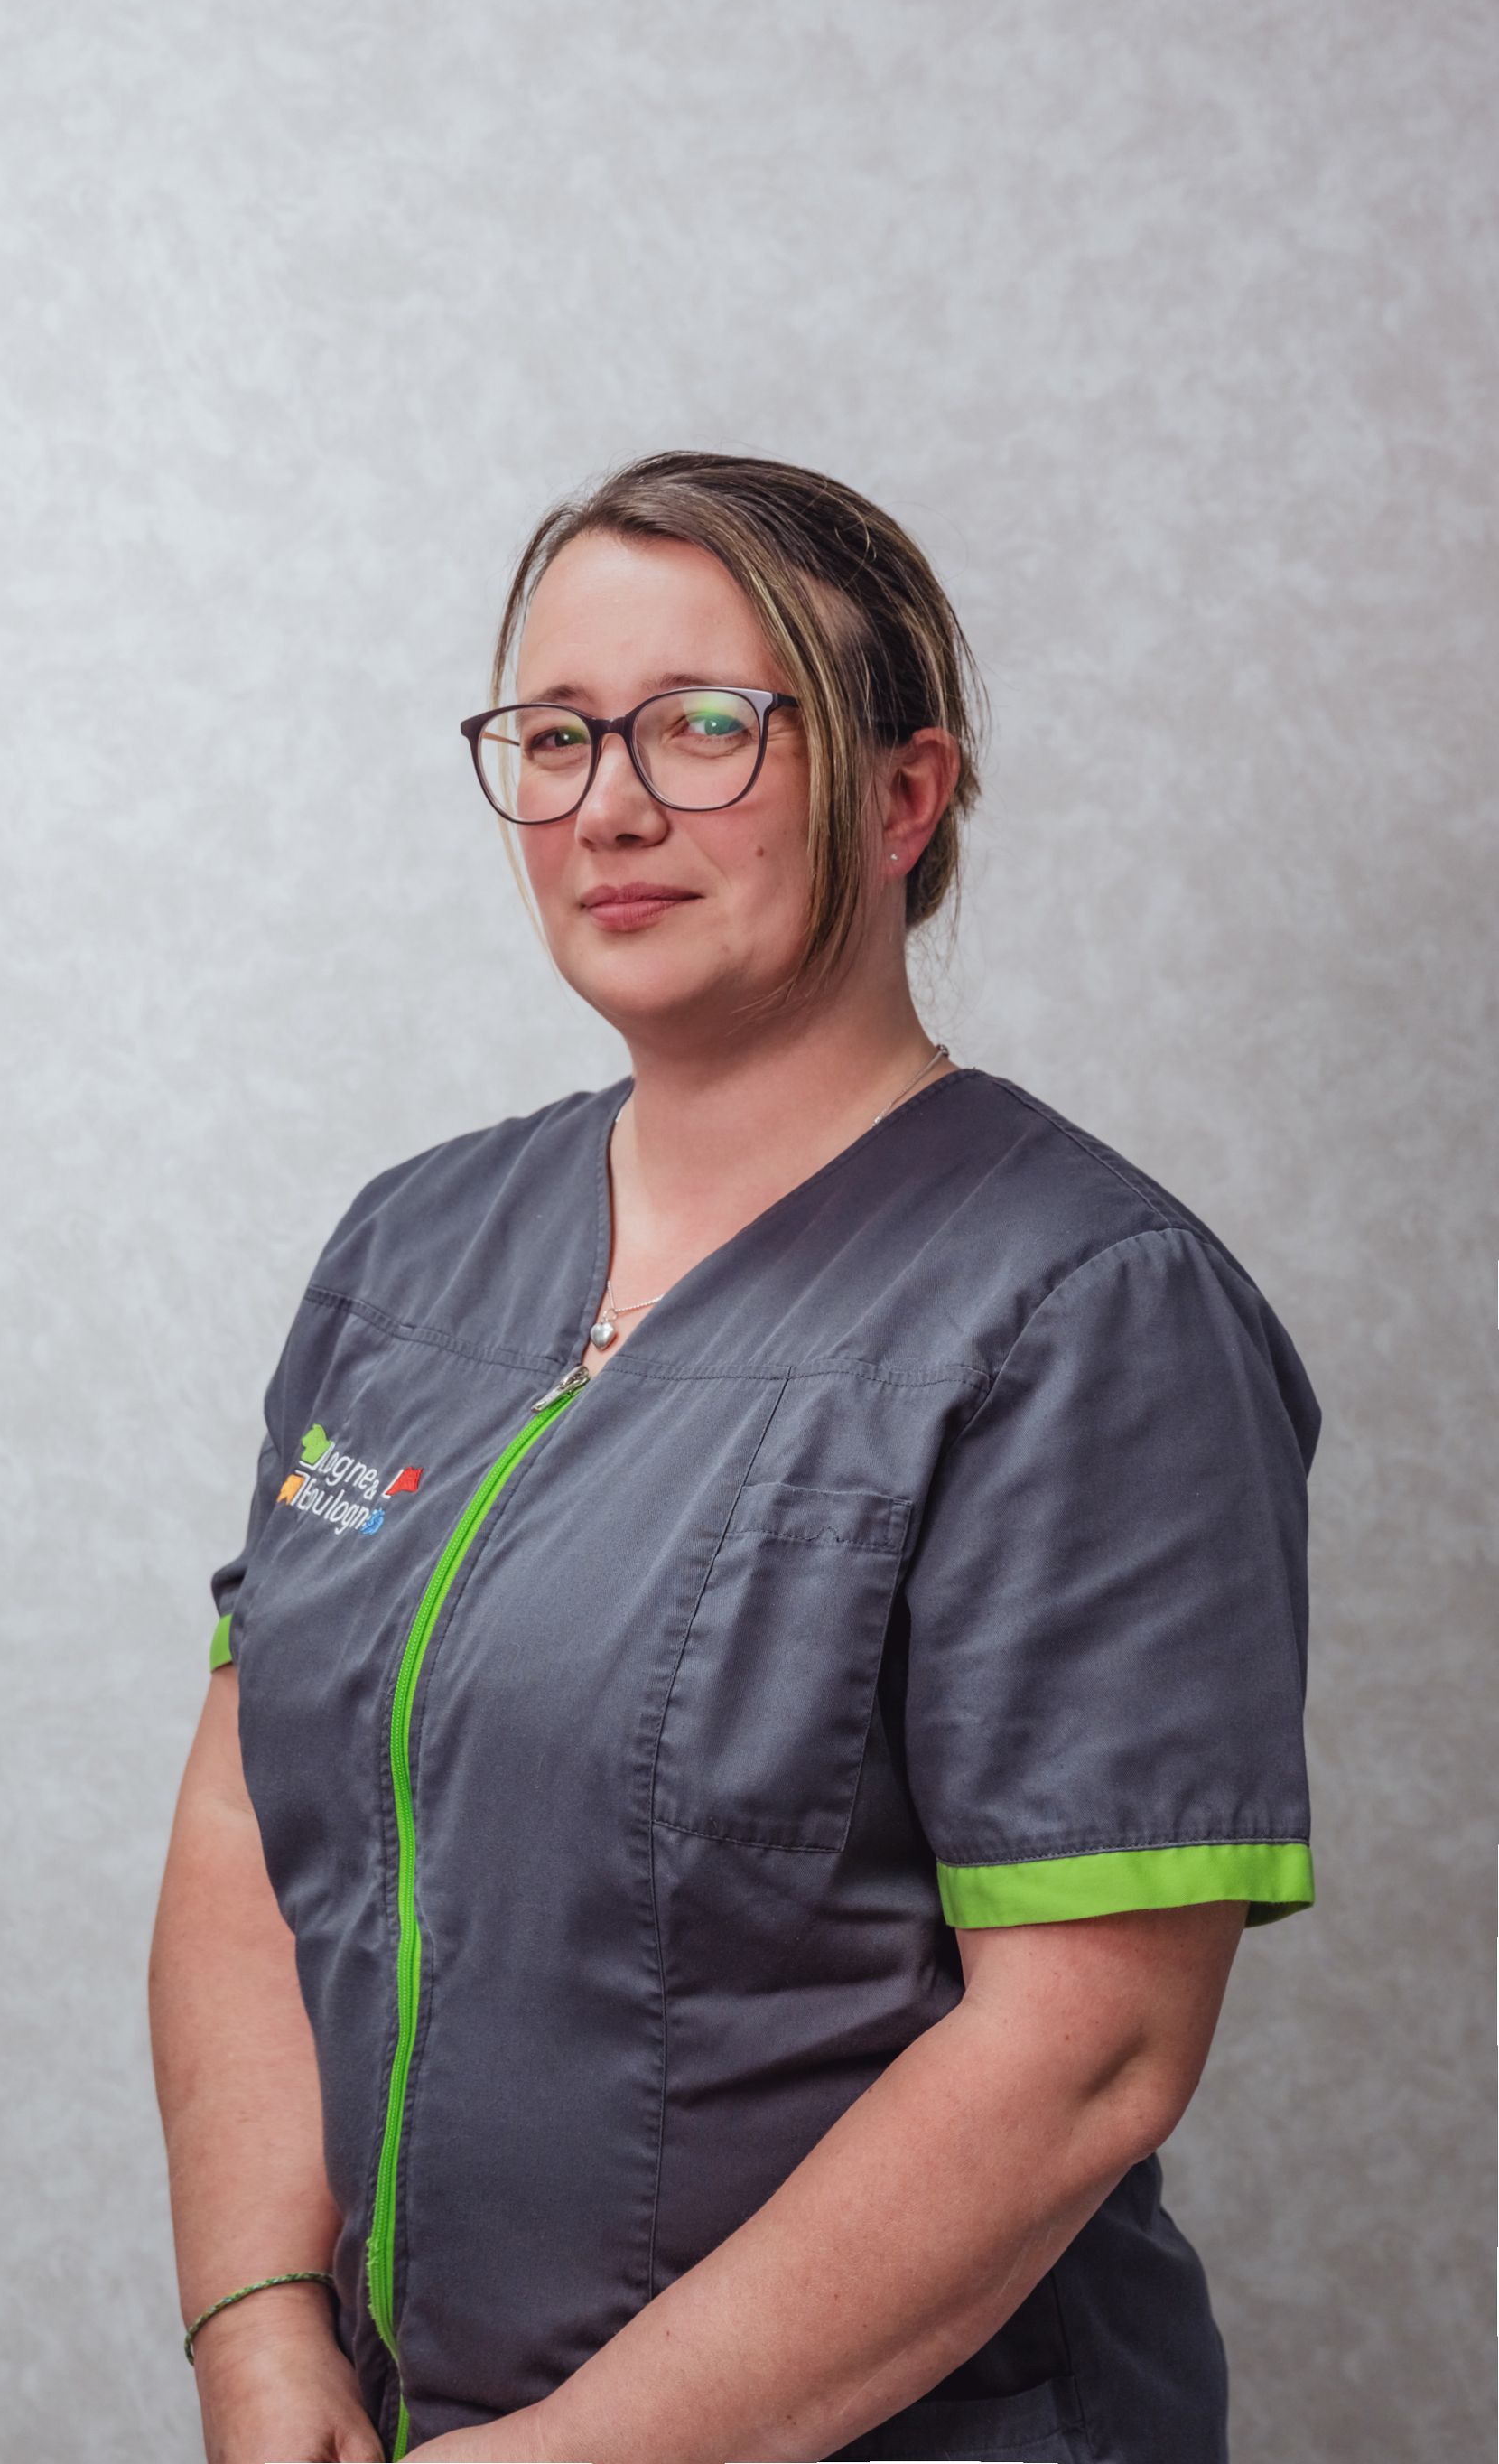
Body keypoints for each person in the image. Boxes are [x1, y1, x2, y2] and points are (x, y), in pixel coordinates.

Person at [148, 450, 1319, 2464]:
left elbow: (1086, 2050)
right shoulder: (412, 1249)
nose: (611, 800)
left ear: (901, 793)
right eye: (554, 734)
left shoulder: (1082, 1312)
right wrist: (258, 2332)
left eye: (707, 727)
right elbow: (251, 1826)